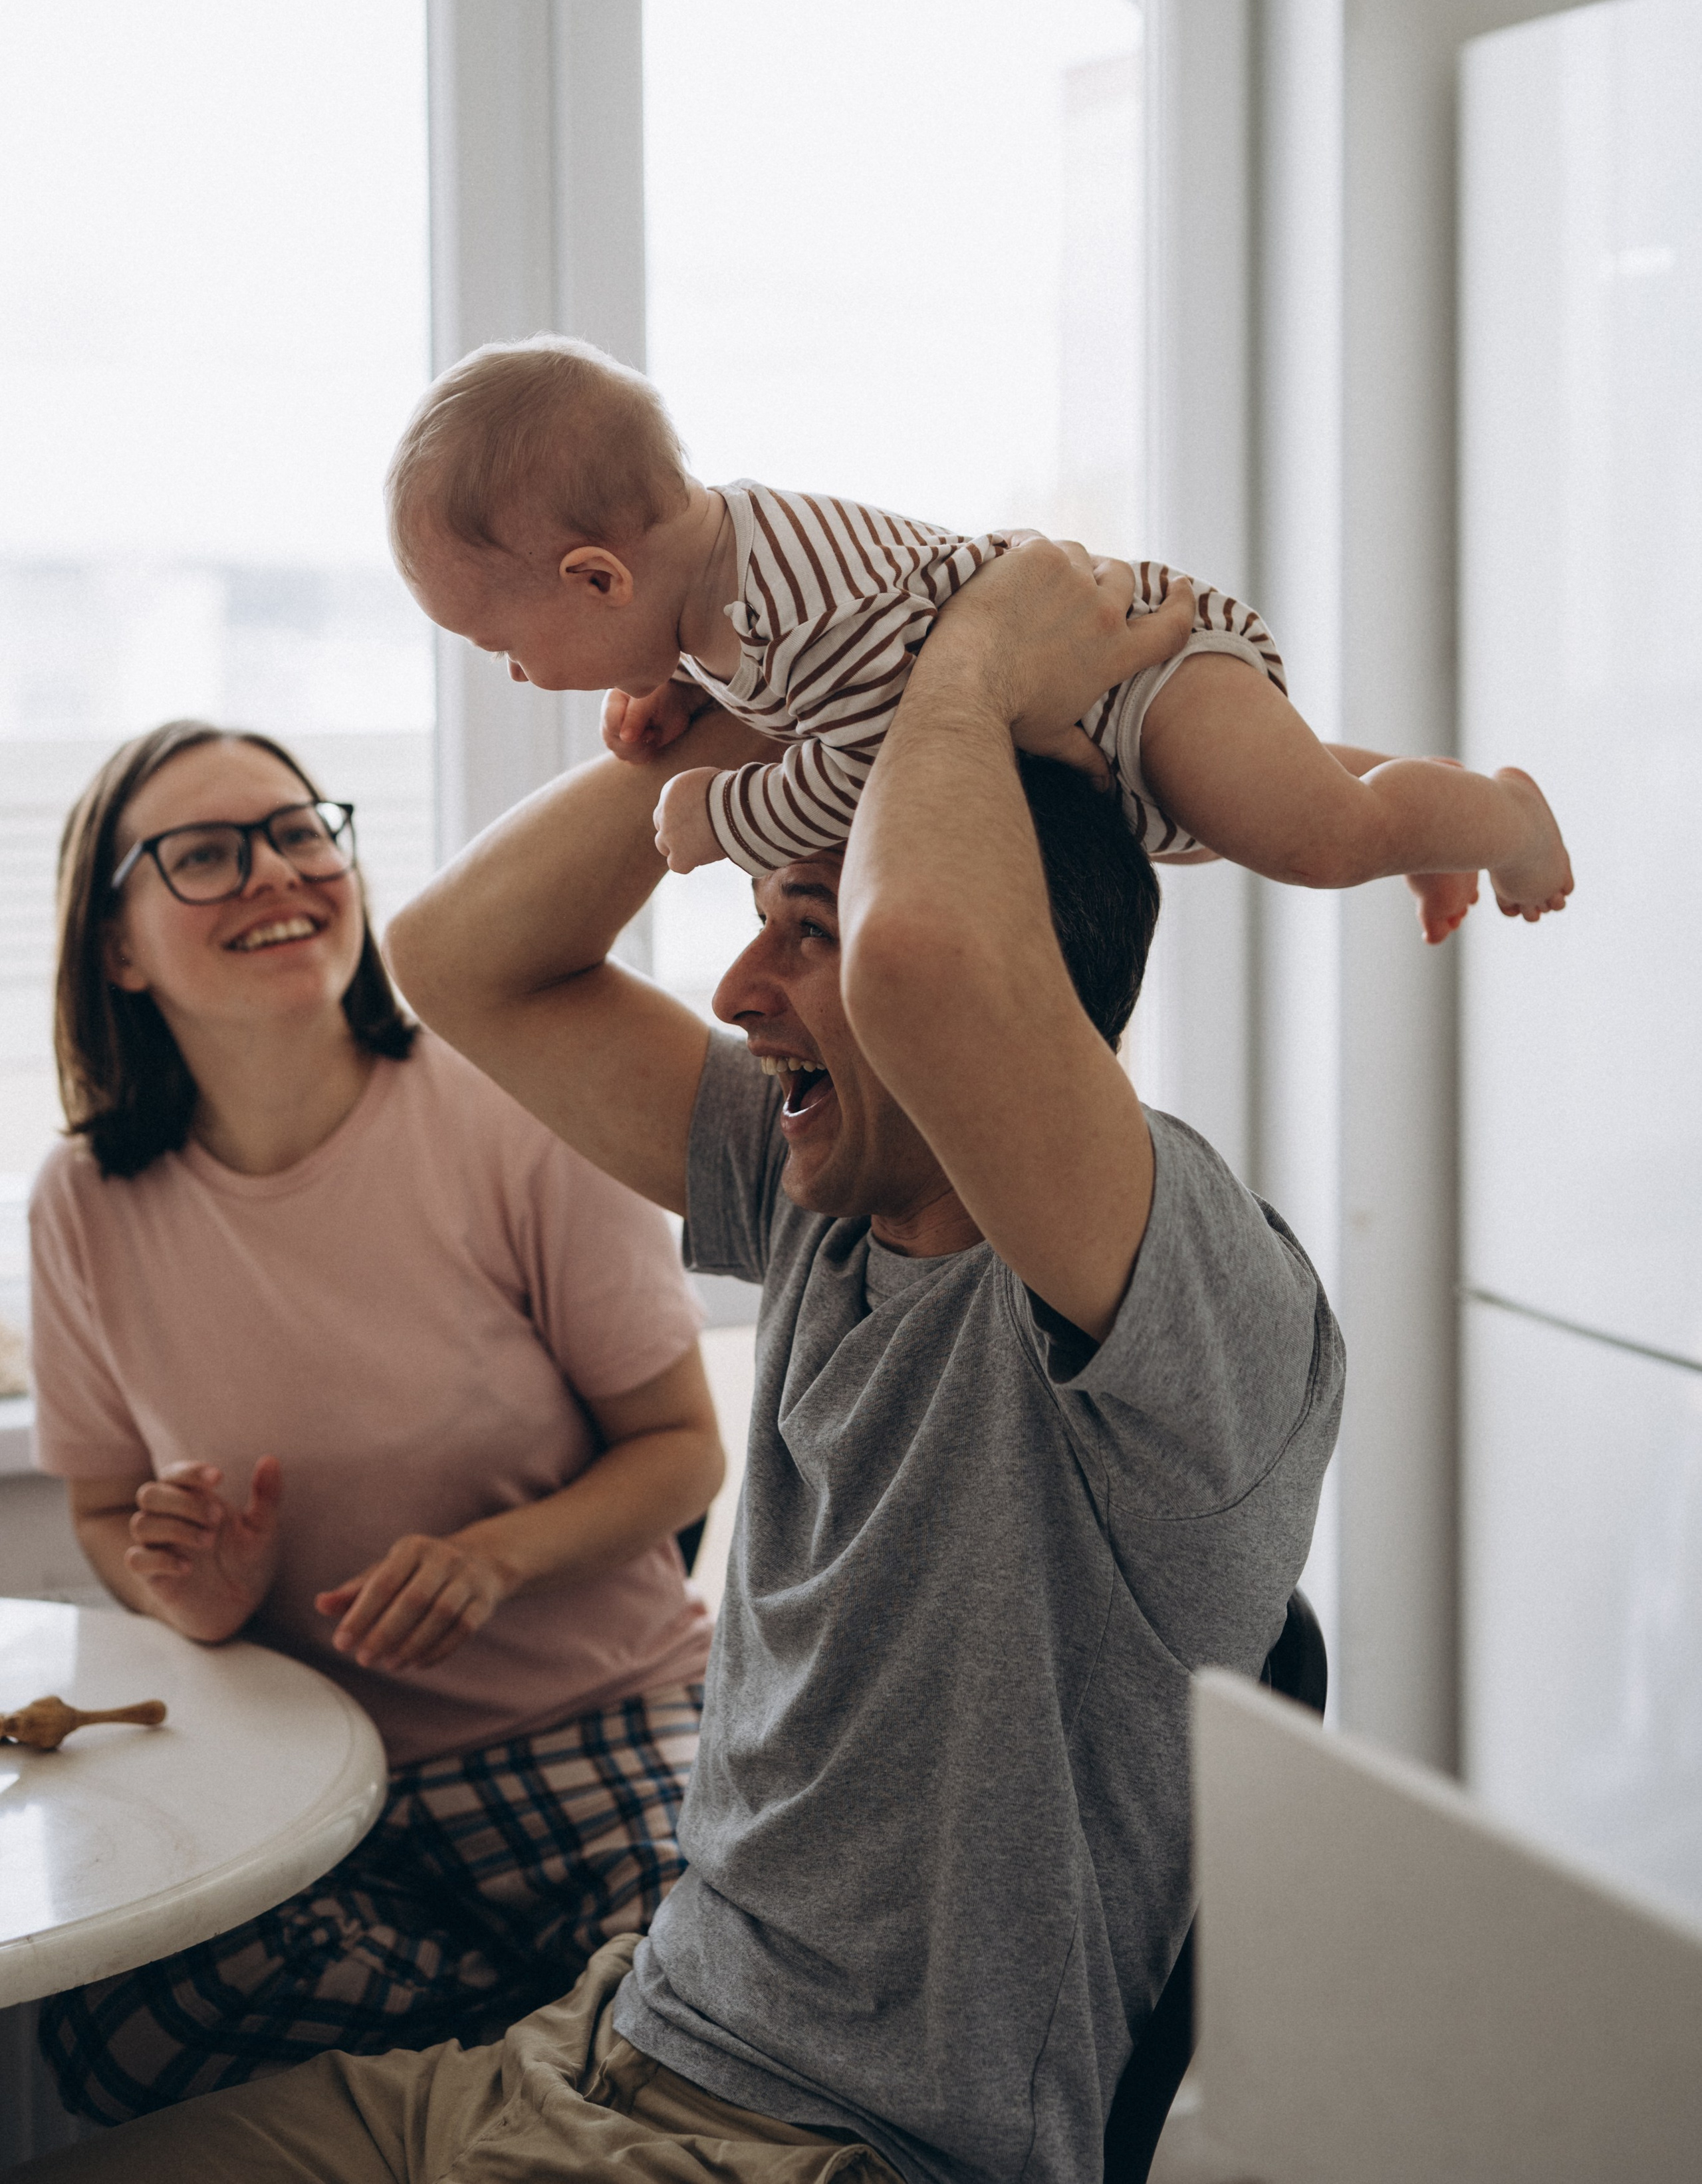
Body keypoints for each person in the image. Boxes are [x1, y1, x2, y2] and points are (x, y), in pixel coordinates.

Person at [22, 539, 1343, 2184]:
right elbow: (461, 958)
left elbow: (932, 968)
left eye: (806, 934)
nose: (734, 990)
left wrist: (973, 650)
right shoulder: (821, 1197)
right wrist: (739, 706)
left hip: (818, 2147)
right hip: (601, 2043)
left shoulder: (1185, 1297)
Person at [27, 719, 723, 2123]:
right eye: (206, 855)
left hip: (598, 1729)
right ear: (115, 947)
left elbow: (682, 1449)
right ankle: (540, 2061)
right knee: (111, 2036)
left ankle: (536, 2069)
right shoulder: (83, 1204)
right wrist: (191, 1590)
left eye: (300, 831)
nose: (277, 874)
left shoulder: (504, 1108)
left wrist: (497, 1557)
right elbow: (104, 1509)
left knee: (723, 2019)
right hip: (312, 1778)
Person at [383, 331, 1572, 942]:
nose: (512, 672)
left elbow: (865, 772)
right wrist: (685, 687)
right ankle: (1429, 809)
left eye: (498, 642)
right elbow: (824, 705)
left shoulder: (796, 607)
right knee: (1240, 816)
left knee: (1311, 842)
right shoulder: (717, 591)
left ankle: (1503, 818)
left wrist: (719, 815)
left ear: (597, 578)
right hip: (1110, 718)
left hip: (1139, 676)